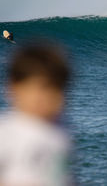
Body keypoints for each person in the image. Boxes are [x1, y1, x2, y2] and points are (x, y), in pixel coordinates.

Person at [0, 42, 72, 186]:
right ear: (13, 88)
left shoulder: (60, 129)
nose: (47, 99)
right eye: (39, 90)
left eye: (56, 90)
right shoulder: (6, 134)